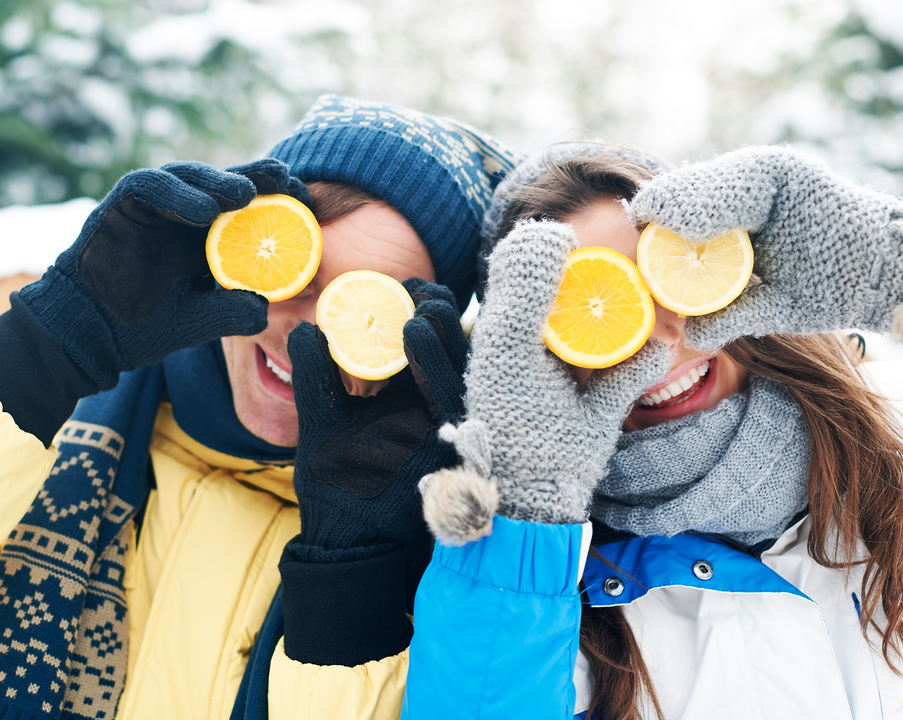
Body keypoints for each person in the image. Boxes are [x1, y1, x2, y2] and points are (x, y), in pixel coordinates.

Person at [0, 94, 521, 719]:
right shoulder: (50, 419)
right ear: (234, 253)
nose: (305, 342)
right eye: (291, 275)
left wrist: (351, 565)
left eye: (365, 311)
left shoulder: (437, 565)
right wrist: (43, 354)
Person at [402, 143, 903, 719]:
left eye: (670, 280)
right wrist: (525, 515)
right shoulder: (553, 588)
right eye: (599, 311)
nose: (662, 340)